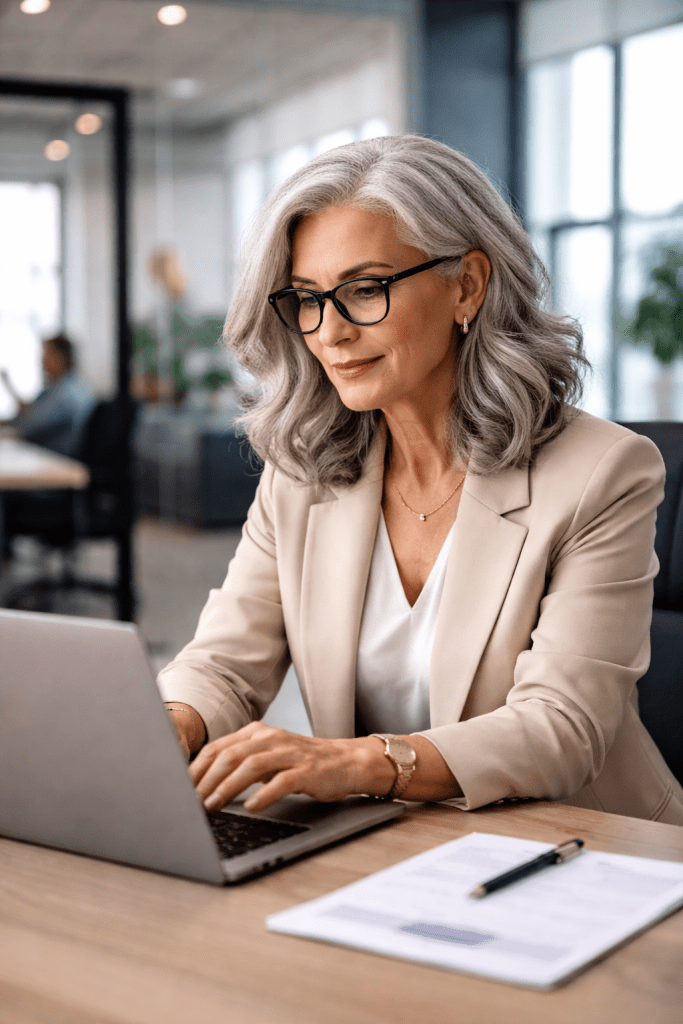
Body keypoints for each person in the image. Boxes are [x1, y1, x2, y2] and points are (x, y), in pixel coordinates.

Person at [158, 135, 683, 825]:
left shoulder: (600, 471)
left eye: (364, 289)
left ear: (466, 285)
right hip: (393, 842)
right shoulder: (304, 470)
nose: (329, 333)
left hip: (579, 846)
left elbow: (562, 727)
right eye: (308, 298)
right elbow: (226, 661)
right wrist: (170, 723)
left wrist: (356, 764)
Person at [1, 334, 94, 458]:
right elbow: (32, 412)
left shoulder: (66, 394)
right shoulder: (55, 390)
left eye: (47, 353)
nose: (42, 360)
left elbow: (33, 424)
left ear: (63, 357)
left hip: (61, 460)